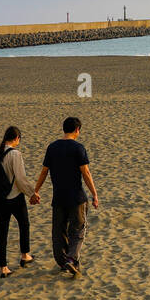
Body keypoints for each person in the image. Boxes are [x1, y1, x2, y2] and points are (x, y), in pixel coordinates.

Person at [31, 117, 99, 277]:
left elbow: (44, 171)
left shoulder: (52, 147)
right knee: (78, 230)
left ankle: (63, 262)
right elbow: (86, 172)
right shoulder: (78, 148)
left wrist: (36, 191)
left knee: (59, 232)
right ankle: (71, 260)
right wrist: (94, 194)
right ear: (77, 130)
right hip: (76, 197)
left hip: (59, 198)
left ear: (64, 129)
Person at [0, 125, 35, 277]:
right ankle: (25, 255)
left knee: (2, 233)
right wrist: (32, 193)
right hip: (14, 197)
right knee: (24, 224)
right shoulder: (15, 154)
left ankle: (3, 267)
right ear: (16, 138)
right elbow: (21, 179)